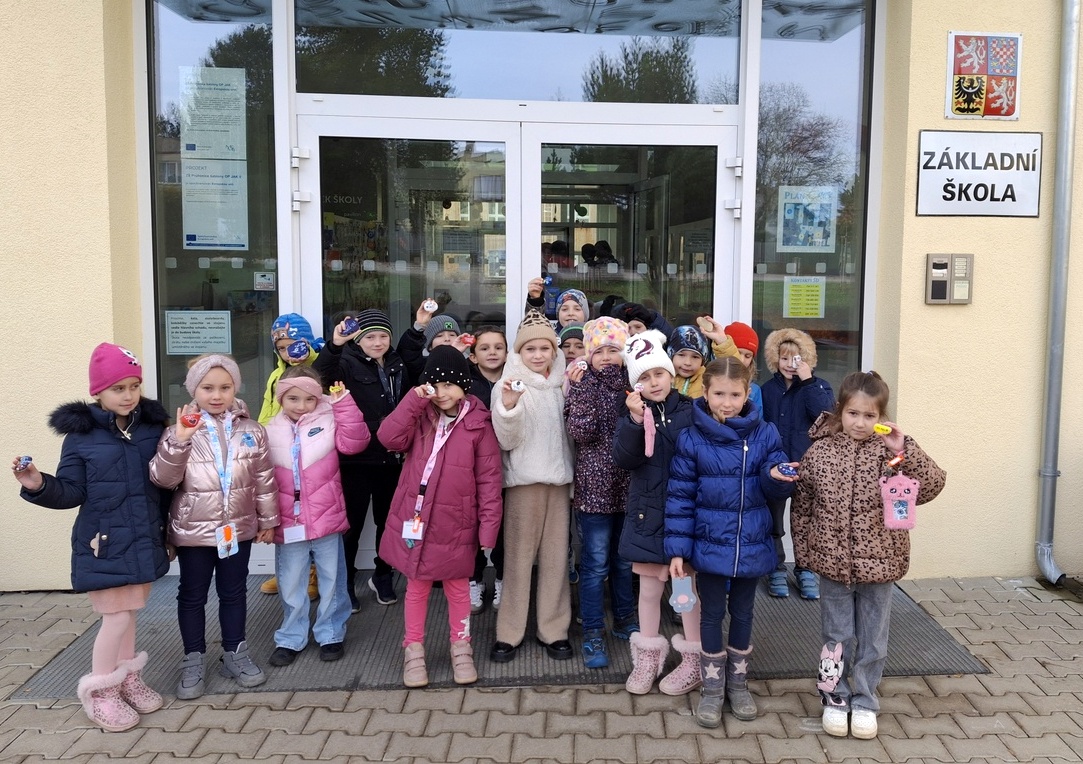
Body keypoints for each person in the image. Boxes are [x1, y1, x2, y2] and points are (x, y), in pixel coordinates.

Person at [12, 343, 170, 732]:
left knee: (129, 614)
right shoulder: (81, 436)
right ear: (98, 391)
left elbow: (165, 480)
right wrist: (37, 483)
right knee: (115, 619)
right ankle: (101, 692)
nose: (128, 395)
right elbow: (71, 491)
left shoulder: (151, 428)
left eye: (134, 386)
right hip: (105, 544)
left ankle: (127, 679)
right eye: (118, 388)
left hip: (142, 539)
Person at [791, 371, 946, 740]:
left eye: (869, 415)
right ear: (840, 411)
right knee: (836, 636)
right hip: (832, 564)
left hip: (881, 563)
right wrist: (805, 554)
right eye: (852, 414)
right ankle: (835, 697)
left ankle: (865, 700)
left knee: (873, 639)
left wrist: (903, 448)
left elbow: (932, 485)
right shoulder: (820, 451)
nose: (860, 423)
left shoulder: (892, 453)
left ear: (881, 416)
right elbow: (803, 505)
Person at [665, 357, 796, 728]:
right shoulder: (691, 437)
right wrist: (678, 550)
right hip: (709, 544)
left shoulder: (765, 433)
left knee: (743, 612)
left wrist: (778, 477)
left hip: (751, 542)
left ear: (747, 393)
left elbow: (775, 488)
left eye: (735, 395)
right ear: (705, 393)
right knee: (710, 613)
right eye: (719, 394)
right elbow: (679, 497)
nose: (727, 402)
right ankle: (712, 687)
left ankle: (738, 683)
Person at [150, 354, 279, 699]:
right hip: (193, 531)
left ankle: (235, 653)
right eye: (208, 388)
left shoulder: (253, 430)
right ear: (194, 390)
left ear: (235, 388)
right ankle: (193, 658)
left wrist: (268, 520)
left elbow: (264, 479)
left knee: (234, 592)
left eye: (225, 387)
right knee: (192, 595)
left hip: (237, 528)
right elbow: (163, 479)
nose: (217, 395)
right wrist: (180, 440)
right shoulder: (176, 431)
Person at [377, 346, 503, 687]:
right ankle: (413, 649)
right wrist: (414, 400)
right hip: (416, 519)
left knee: (458, 589)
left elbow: (489, 481)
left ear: (464, 386)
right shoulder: (420, 415)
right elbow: (388, 437)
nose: (442, 392)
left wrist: (488, 531)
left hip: (456, 524)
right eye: (435, 384)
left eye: (449, 384)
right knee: (416, 588)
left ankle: (461, 647)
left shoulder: (479, 425)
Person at [613, 330, 702, 696]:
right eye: (645, 377)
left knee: (686, 593)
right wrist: (635, 422)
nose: (654, 382)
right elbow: (625, 458)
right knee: (649, 591)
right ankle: (647, 658)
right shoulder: (631, 415)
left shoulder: (693, 411)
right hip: (647, 517)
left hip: (684, 518)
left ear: (671, 374)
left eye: (659, 374)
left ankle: (695, 660)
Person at [264, 365, 370, 667]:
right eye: (293, 398)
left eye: (309, 398)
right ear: (281, 398)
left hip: (327, 518)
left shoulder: (329, 418)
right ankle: (291, 637)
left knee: (332, 579)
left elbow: (355, 443)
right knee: (291, 582)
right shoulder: (269, 430)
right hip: (289, 522)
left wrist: (343, 404)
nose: (301, 406)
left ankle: (331, 633)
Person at [488, 309, 575, 663]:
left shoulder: (565, 383)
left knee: (555, 560)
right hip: (524, 484)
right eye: (530, 349)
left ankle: (553, 629)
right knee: (518, 560)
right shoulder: (507, 384)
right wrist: (509, 409)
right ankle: (509, 632)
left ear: (554, 351)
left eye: (544, 348)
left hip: (559, 483)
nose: (538, 355)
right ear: (519, 352)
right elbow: (506, 440)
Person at [313, 308, 411, 611]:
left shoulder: (397, 362)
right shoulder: (345, 362)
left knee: (388, 522)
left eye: (383, 336)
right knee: (351, 525)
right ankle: (346, 582)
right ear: (359, 340)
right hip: (355, 460)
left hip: (391, 459)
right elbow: (320, 376)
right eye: (370, 337)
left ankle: (383, 574)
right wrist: (335, 344)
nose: (377, 342)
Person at [564, 316, 635, 669]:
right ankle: (593, 631)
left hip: (629, 488)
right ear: (589, 355)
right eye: (599, 351)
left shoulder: (633, 384)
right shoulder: (582, 384)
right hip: (594, 490)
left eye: (613, 350)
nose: (607, 357)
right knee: (594, 565)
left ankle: (625, 618)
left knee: (624, 562)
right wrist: (581, 392)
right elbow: (582, 433)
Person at [760, 328, 835, 600]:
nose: (790, 365)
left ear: (807, 360)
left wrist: (808, 382)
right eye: (784, 358)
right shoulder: (768, 389)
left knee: (804, 522)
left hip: (807, 466)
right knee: (773, 521)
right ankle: (776, 568)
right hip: (777, 464)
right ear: (775, 359)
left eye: (797, 359)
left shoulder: (818, 386)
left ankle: (806, 570)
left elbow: (826, 417)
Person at [258, 312, 325, 599]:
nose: (289, 353)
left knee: (312, 516)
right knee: (286, 515)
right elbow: (268, 410)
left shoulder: (316, 368)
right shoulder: (276, 376)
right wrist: (262, 438)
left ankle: (312, 573)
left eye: (294, 346)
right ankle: (287, 571)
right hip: (282, 453)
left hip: (310, 454)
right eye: (282, 348)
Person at [466, 326, 509, 613]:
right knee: (472, 528)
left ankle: (504, 578)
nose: (492, 352)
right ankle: (474, 579)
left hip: (507, 465)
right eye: (484, 348)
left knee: (505, 529)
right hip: (473, 468)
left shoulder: (514, 380)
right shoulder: (466, 385)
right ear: (473, 356)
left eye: (498, 347)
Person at [724, 321, 762, 413]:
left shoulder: (754, 390)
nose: (741, 360)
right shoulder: (710, 380)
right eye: (737, 353)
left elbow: (757, 418)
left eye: (748, 356)